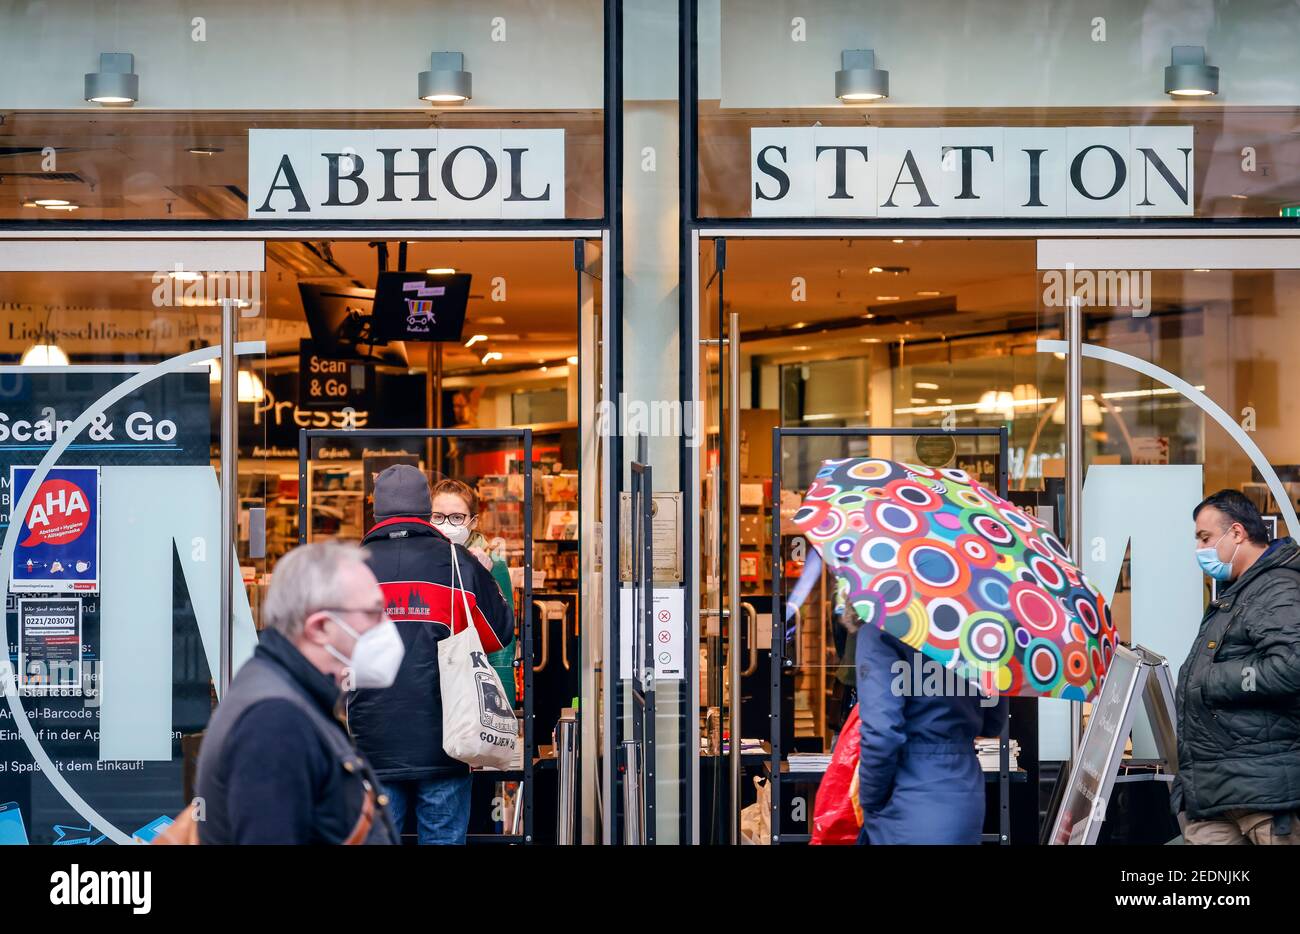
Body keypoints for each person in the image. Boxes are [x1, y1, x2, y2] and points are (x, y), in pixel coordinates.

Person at [195, 541, 402, 844]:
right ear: (319, 627)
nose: (387, 625)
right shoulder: (275, 721)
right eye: (374, 612)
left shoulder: (289, 696)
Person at [350, 465, 514, 845]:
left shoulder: (348, 569)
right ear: (426, 511)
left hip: (372, 743)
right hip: (447, 741)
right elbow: (497, 634)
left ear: (376, 511)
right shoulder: (459, 563)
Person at [1174, 489, 1300, 845]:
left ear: (1237, 533)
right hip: (1222, 791)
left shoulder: (1277, 588)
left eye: (1205, 537)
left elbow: (1292, 665)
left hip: (1262, 794)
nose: (1200, 548)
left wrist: (1210, 680)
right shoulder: (1241, 590)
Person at [855, 623, 1007, 845]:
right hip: (965, 794)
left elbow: (881, 732)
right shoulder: (981, 626)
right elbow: (993, 722)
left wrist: (870, 799)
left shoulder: (881, 626)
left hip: (905, 796)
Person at [429, 477, 519, 692]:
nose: (447, 524)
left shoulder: (491, 563)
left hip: (472, 680)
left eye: (457, 517)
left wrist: (504, 694)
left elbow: (502, 640)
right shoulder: (424, 559)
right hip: (430, 679)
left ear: (474, 521)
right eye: (438, 516)